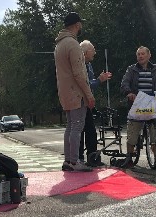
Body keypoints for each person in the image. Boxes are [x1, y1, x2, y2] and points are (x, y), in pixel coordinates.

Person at [54, 12, 95, 172]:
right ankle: (74, 161)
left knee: (70, 126)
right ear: (77, 24)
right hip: (76, 92)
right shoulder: (73, 44)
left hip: (64, 91)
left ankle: (68, 161)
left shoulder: (59, 45)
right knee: (77, 127)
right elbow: (79, 73)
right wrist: (89, 95)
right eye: (80, 24)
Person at [120, 46, 156, 168]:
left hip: (151, 103)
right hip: (137, 103)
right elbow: (124, 83)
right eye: (138, 54)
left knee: (154, 131)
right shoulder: (131, 69)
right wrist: (129, 93)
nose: (140, 56)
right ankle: (129, 156)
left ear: (149, 55)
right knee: (133, 130)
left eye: (143, 54)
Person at [79, 40, 112, 167]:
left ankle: (92, 157)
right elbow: (85, 84)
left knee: (90, 130)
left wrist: (98, 80)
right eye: (93, 50)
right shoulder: (81, 65)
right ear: (86, 52)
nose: (95, 52)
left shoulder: (89, 64)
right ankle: (80, 158)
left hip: (87, 101)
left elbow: (90, 83)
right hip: (80, 101)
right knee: (81, 130)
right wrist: (99, 80)